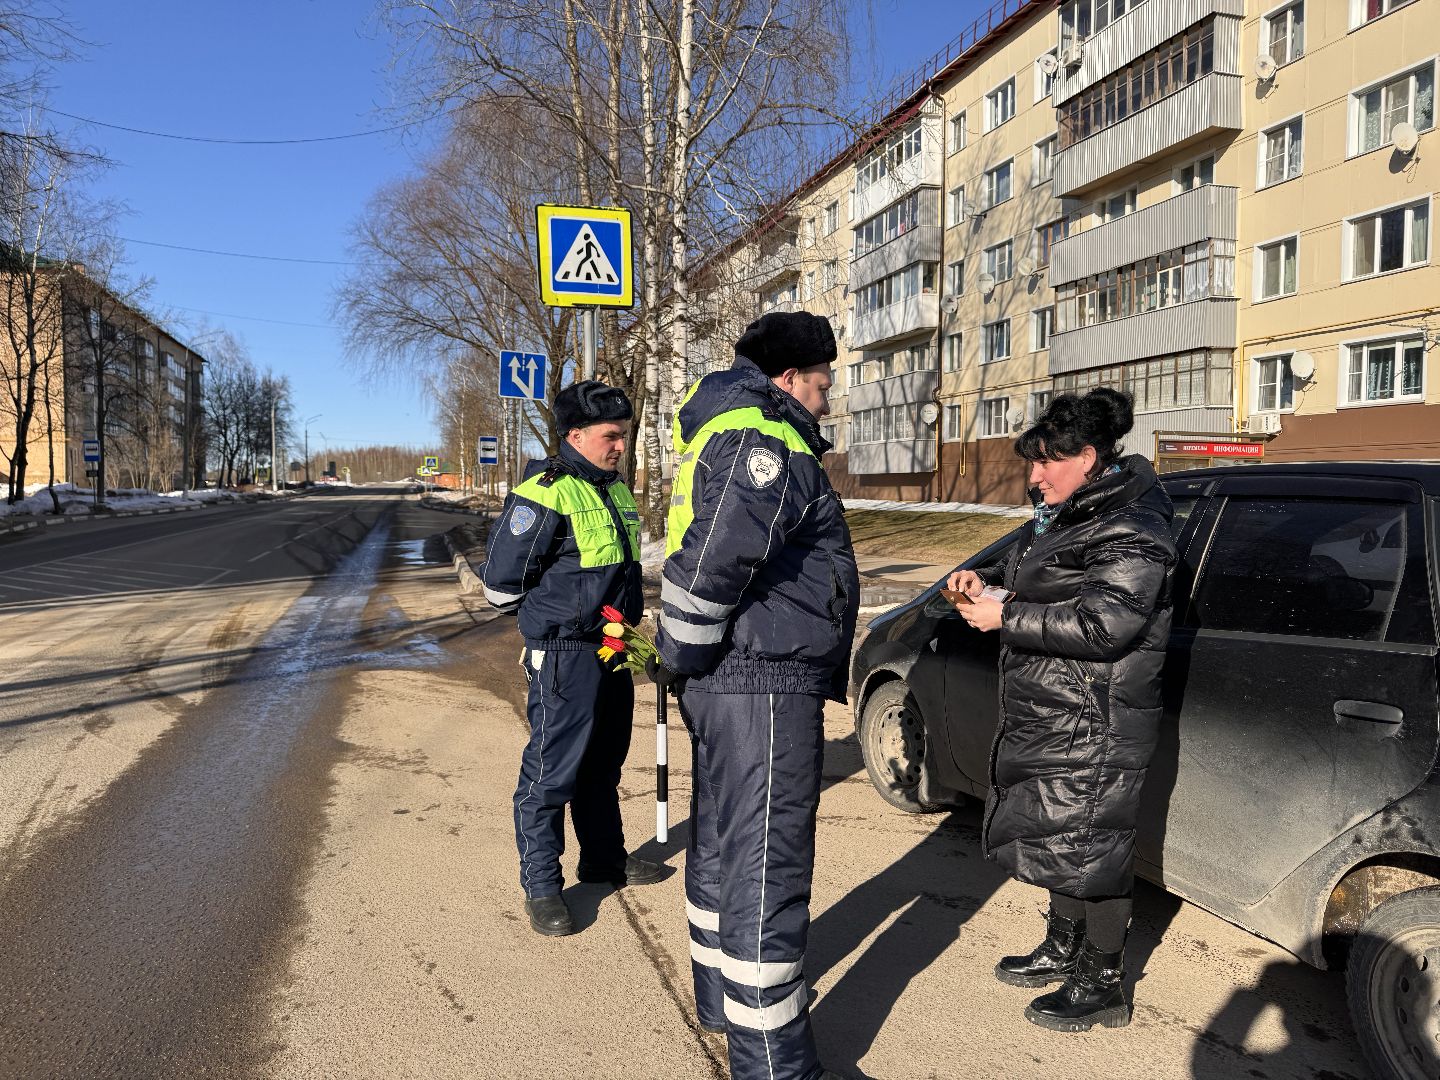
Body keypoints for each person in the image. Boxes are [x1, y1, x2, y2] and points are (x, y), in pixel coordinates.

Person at [651, 311, 859, 1080]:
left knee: (725, 849)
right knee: (767, 864)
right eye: (822, 384)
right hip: (762, 678)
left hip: (731, 674)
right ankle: (773, 1061)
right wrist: (680, 649)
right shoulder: (765, 440)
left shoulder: (725, 429)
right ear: (788, 378)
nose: (827, 401)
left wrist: (683, 661)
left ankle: (720, 1002)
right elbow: (712, 562)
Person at [947, 386, 1175, 1032]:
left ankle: (1103, 981)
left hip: (1099, 715)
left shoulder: (1133, 525)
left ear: (1092, 457)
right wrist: (985, 586)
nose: (1035, 475)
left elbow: (1107, 622)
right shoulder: (1074, 513)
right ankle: (1063, 947)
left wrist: (1006, 616)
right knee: (1061, 832)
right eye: (1034, 460)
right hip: (1058, 708)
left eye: (1049, 461)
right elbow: (1044, 582)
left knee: (1094, 843)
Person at [482, 380, 663, 938]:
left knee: (604, 763)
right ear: (575, 435)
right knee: (550, 772)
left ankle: (604, 859)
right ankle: (542, 885)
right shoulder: (544, 491)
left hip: (612, 645)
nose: (621, 446)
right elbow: (501, 585)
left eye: (625, 436)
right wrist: (555, 621)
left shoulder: (616, 490)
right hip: (564, 652)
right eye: (612, 436)